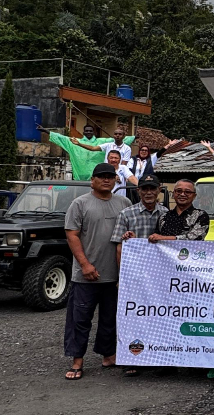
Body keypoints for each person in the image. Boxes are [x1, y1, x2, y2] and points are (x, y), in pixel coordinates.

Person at [62, 163, 133, 381]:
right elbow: (72, 235)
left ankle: (108, 355)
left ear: (116, 180)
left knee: (110, 318)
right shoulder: (80, 204)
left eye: (110, 177)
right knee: (80, 319)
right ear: (92, 180)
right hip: (86, 275)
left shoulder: (124, 203)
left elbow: (132, 232)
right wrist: (85, 265)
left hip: (114, 276)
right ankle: (77, 361)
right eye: (101, 177)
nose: (106, 180)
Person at [110, 174, 168, 377]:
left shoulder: (166, 214)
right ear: (138, 191)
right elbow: (119, 247)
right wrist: (122, 277)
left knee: (158, 316)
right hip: (134, 277)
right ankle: (132, 358)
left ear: (159, 190)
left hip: (159, 277)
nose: (149, 192)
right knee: (133, 317)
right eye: (145, 189)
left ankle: (158, 357)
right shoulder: (127, 214)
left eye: (152, 188)